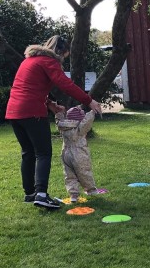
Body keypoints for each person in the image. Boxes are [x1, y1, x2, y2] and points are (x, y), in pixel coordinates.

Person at [5, 35, 103, 210]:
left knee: (28, 152)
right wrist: (89, 101)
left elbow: (28, 87)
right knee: (43, 153)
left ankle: (30, 194)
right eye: (64, 56)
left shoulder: (29, 61)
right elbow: (65, 84)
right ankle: (41, 194)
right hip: (32, 112)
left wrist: (50, 104)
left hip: (14, 111)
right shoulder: (49, 61)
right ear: (60, 51)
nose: (62, 60)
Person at [54, 106, 102, 203]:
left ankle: (73, 195)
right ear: (80, 119)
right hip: (79, 153)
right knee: (84, 172)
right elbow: (87, 122)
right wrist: (93, 112)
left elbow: (58, 119)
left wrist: (58, 113)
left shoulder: (62, 126)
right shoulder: (80, 128)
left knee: (69, 175)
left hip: (66, 153)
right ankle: (91, 190)